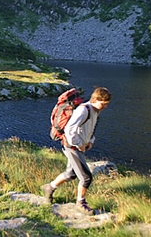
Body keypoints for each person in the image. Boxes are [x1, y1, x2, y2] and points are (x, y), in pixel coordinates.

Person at [41, 87, 111, 215]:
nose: (105, 107)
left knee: (71, 174)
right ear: (95, 99)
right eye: (103, 104)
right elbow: (69, 130)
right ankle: (81, 203)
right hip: (72, 146)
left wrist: (90, 141)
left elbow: (91, 127)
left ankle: (49, 187)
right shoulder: (83, 110)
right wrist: (79, 145)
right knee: (86, 177)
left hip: (77, 146)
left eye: (107, 105)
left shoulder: (94, 110)